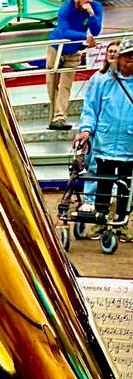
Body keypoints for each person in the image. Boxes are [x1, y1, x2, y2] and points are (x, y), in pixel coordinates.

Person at [76, 36, 133, 239]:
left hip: (130, 144)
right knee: (104, 183)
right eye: (127, 57)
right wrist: (85, 130)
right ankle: (100, 219)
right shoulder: (101, 80)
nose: (130, 61)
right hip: (105, 141)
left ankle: (121, 222)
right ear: (118, 58)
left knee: (127, 185)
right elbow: (90, 109)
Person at [47, 0, 102, 131]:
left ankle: (59, 117)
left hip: (75, 50)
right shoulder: (66, 9)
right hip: (56, 46)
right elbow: (64, 31)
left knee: (66, 84)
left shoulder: (95, 7)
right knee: (52, 83)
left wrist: (91, 14)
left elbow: (96, 31)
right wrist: (84, 36)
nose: (89, 0)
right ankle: (54, 115)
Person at [76, 40, 119, 211]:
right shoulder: (98, 78)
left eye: (116, 51)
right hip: (102, 135)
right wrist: (86, 129)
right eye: (110, 50)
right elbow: (90, 107)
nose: (113, 54)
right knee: (95, 169)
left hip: (125, 136)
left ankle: (116, 212)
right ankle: (90, 202)